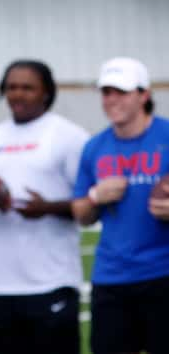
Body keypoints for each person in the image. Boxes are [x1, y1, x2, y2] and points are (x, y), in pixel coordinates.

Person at [0, 60, 89, 354]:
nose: (18, 94)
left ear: (46, 92)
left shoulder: (70, 138)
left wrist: (47, 207)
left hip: (52, 281)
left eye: (27, 88)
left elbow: (89, 204)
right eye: (11, 87)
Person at [72, 57, 169, 354]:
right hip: (111, 277)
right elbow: (80, 214)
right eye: (106, 92)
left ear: (144, 95)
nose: (111, 100)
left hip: (163, 275)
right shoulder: (94, 147)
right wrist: (94, 197)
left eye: (121, 92)